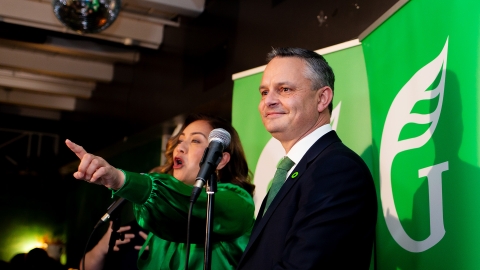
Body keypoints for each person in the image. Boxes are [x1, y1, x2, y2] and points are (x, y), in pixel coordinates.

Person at [236, 47, 377, 269]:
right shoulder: (294, 171)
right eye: (264, 92)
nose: (268, 101)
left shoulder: (337, 169)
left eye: (284, 89)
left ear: (322, 98)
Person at [66, 114, 255, 270]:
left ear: (220, 160)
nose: (179, 147)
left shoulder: (238, 203)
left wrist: (120, 179)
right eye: (180, 141)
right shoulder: (161, 223)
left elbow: (194, 207)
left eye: (196, 140)